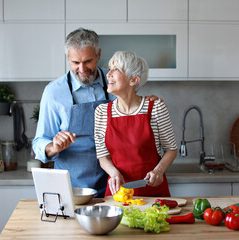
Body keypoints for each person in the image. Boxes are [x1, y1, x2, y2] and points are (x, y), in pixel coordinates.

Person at [33, 28, 160, 197]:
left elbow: (133, 111)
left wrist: (148, 103)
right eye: (75, 62)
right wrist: (53, 147)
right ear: (67, 59)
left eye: (88, 61)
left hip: (115, 182)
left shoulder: (115, 81)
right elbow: (39, 142)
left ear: (99, 54)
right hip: (73, 188)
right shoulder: (54, 92)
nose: (82, 68)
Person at [94, 51, 177, 197]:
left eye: (116, 69)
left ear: (134, 80)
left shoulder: (155, 108)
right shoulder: (101, 112)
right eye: (109, 68)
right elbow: (103, 156)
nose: (108, 74)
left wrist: (158, 171)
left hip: (152, 191)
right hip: (118, 192)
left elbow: (171, 149)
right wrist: (114, 174)